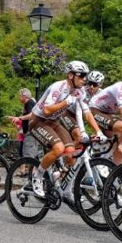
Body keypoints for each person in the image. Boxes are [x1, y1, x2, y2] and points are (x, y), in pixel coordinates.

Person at [27, 61, 98, 199]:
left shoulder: (79, 91)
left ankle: (63, 186)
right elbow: (46, 110)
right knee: (58, 148)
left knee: (71, 154)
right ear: (70, 75)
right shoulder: (58, 87)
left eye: (85, 76)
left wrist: (96, 132)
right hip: (38, 121)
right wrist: (67, 101)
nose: (84, 79)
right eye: (81, 75)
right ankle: (37, 175)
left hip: (54, 122)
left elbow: (85, 112)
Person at [7, 88, 37, 159]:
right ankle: (32, 169)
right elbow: (26, 117)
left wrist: (19, 118)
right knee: (27, 152)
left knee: (28, 154)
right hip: (29, 131)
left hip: (30, 132)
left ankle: (32, 169)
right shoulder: (29, 103)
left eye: (20, 96)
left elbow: (31, 115)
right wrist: (15, 118)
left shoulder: (29, 102)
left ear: (24, 96)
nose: (19, 98)